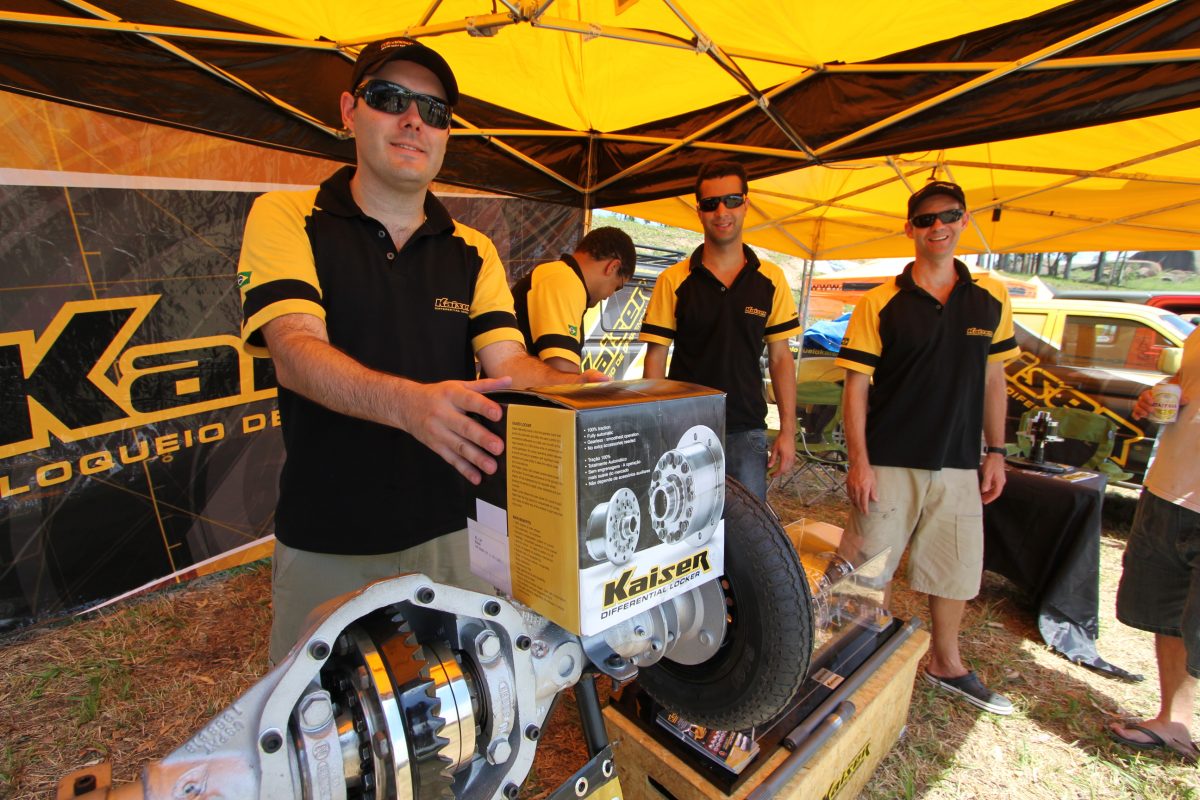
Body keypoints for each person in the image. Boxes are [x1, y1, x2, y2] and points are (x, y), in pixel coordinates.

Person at [238, 37, 607, 663]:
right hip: (328, 536)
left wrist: (575, 387)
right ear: (349, 111)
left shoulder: (474, 250)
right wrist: (410, 405)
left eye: (434, 111)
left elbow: (509, 365)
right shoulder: (287, 216)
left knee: (469, 705)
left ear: (446, 134)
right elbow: (295, 351)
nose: (414, 120)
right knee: (319, 715)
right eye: (390, 99)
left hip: (452, 536)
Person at [834, 180, 1019, 715]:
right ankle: (859, 655)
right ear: (910, 228)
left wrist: (997, 451)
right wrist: (859, 462)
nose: (938, 226)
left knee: (954, 568)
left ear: (964, 221)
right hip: (889, 459)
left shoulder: (991, 298)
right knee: (868, 566)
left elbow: (994, 380)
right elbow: (856, 388)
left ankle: (946, 662)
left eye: (949, 216)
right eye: (926, 219)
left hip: (959, 462)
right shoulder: (880, 302)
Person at [638, 160, 799, 500]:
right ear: (699, 211)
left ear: (746, 204)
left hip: (746, 430)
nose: (722, 212)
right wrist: (656, 426)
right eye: (711, 203)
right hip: (684, 429)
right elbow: (655, 359)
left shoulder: (771, 279)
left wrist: (788, 430)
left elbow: (781, 358)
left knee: (747, 529)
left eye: (732, 200)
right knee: (686, 521)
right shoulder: (673, 279)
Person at [1108, 327, 1199, 763]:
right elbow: (1184, 382)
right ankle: (1173, 720)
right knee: (1170, 613)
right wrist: (1156, 394)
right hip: (1170, 488)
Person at [513, 226, 636, 373]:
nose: (609, 296)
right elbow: (562, 374)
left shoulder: (559, 275)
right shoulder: (564, 281)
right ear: (613, 267)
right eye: (617, 287)